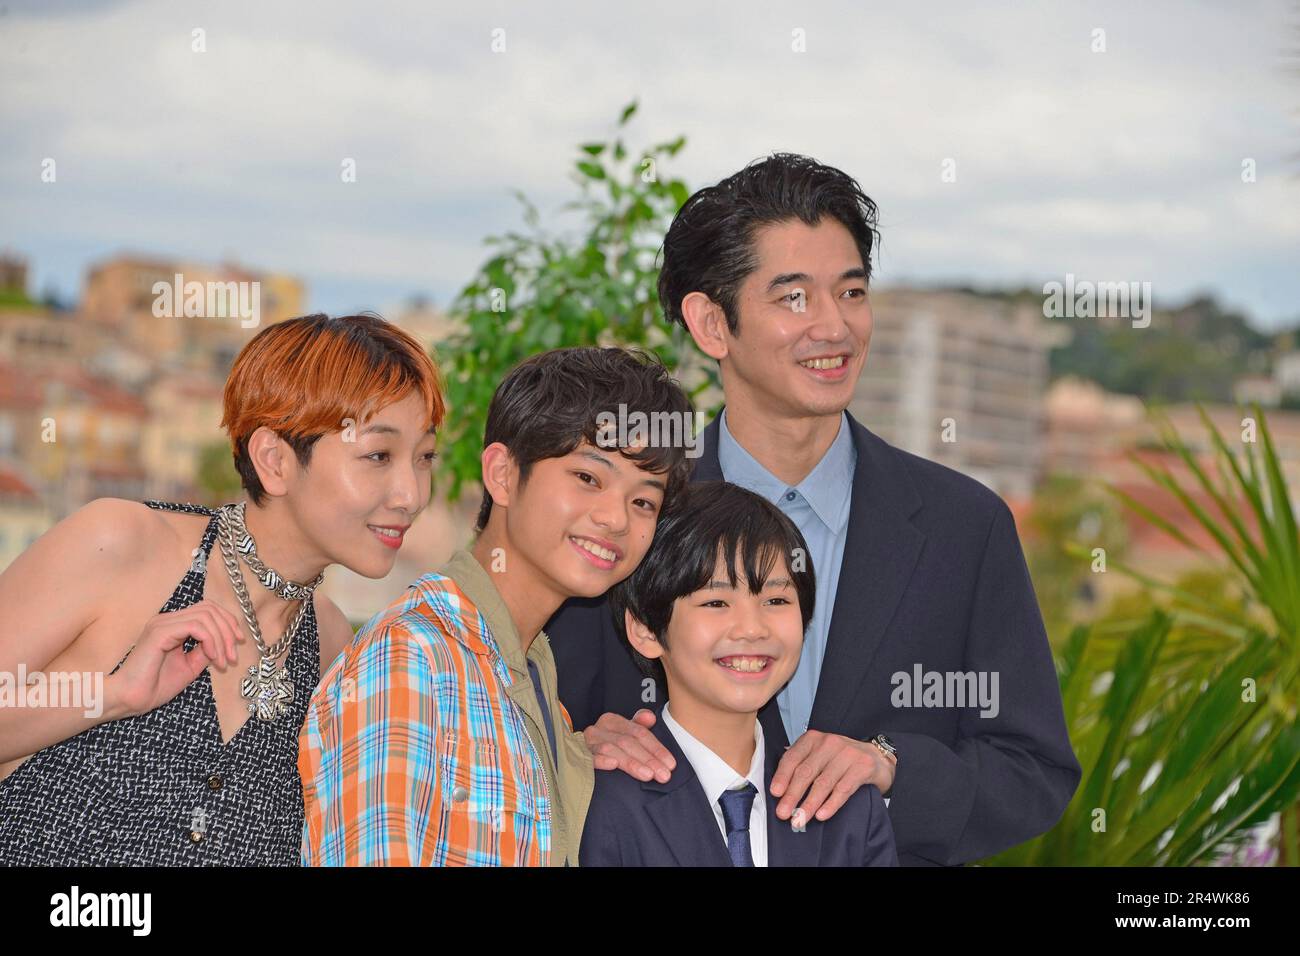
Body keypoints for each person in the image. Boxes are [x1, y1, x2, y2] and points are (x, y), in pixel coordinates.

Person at [548, 153, 1082, 866]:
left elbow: (1034, 772)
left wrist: (890, 769)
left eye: (852, 292)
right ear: (711, 324)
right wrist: (574, 748)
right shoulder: (632, 518)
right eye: (794, 298)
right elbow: (538, 719)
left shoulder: (965, 526)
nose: (834, 326)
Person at [0, 312, 444, 865]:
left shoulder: (331, 644)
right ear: (274, 460)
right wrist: (113, 694)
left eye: (425, 457)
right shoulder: (120, 544)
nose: (411, 494)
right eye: (379, 456)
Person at [299, 346, 695, 866]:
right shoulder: (412, 658)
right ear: (503, 474)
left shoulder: (533, 674)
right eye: (588, 478)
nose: (617, 518)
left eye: (643, 501)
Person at [579, 481, 897, 866]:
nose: (752, 629)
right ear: (646, 630)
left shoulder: (848, 808)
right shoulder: (600, 801)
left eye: (776, 600)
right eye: (716, 602)